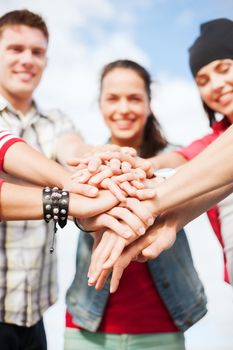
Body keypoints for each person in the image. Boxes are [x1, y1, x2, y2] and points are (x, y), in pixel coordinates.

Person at [65, 59, 207, 350]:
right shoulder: (90, 163)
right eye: (113, 98)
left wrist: (145, 169)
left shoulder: (179, 158)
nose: (123, 109)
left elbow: (188, 167)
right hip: (87, 327)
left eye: (134, 98)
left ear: (149, 103)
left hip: (161, 326)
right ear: (100, 104)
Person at [0, 9, 99, 350]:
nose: (27, 59)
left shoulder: (56, 121)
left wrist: (99, 162)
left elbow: (73, 148)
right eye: (16, 48)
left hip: (33, 314)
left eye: (37, 52)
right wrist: (71, 192)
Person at [149, 18, 233, 285]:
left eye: (224, 69)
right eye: (203, 80)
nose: (216, 85)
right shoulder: (214, 141)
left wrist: (152, 200)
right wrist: (132, 166)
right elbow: (179, 159)